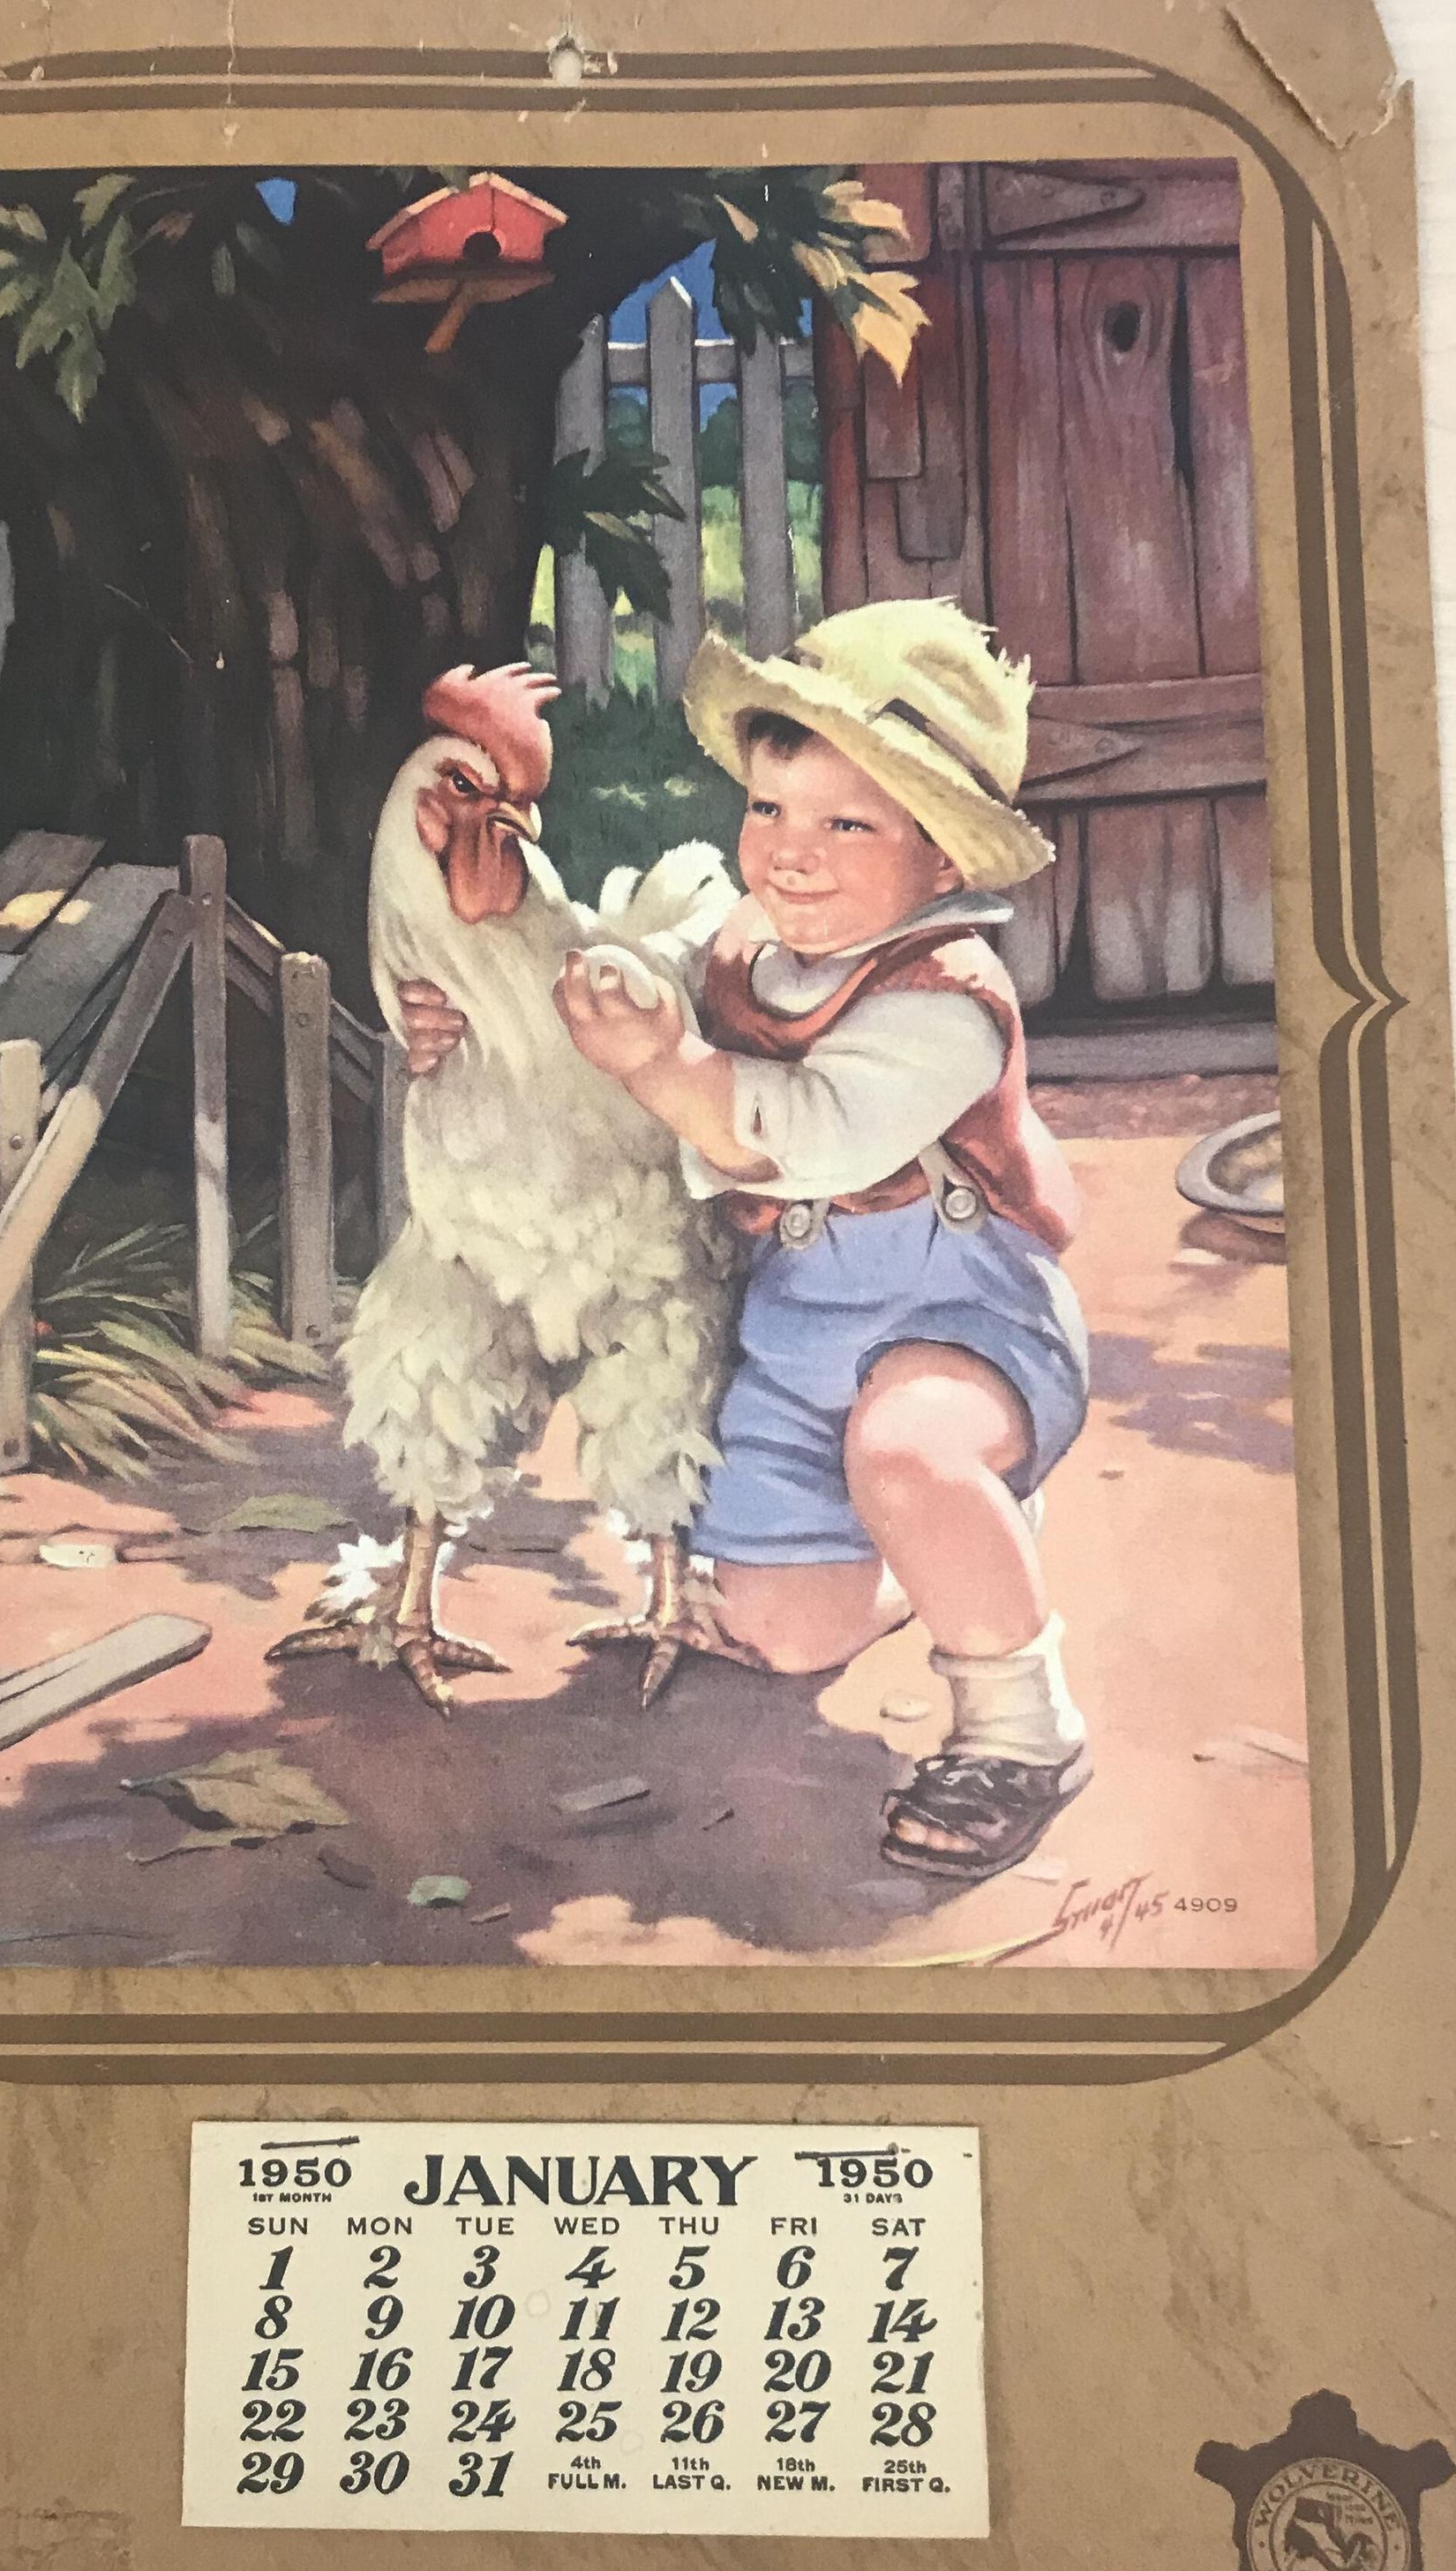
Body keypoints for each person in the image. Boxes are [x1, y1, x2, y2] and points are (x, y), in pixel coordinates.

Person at [402, 601, 1091, 1879]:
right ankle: (956, 1541)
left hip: (955, 1319)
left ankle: (1021, 1730)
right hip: (799, 1333)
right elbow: (621, 980)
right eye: (770, 810)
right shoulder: (747, 944)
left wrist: (662, 1066)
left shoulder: (947, 1004)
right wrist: (490, 1012)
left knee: (906, 1448)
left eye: (848, 826)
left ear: (946, 860)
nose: (792, 855)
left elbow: (803, 1135)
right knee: (782, 1630)